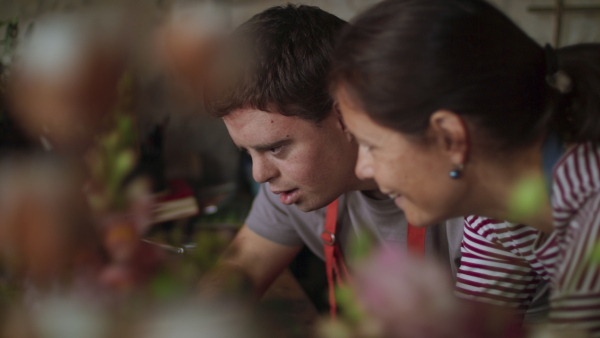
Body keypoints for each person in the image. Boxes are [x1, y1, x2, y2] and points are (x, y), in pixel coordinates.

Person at [330, 0, 600, 334]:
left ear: (450, 138)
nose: (362, 169)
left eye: (371, 146)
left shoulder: (593, 203)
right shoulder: (496, 216)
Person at [199, 4, 462, 314]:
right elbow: (240, 269)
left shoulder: (464, 199)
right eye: (248, 152)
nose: (260, 174)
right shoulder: (295, 184)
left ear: (347, 112)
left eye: (275, 148)